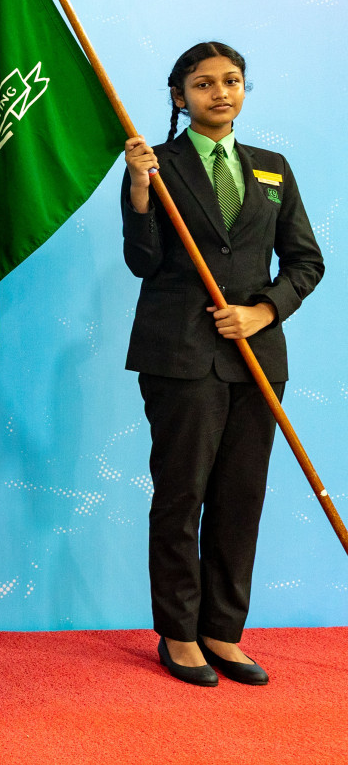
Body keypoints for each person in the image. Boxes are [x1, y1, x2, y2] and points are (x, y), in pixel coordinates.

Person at [122, 41, 322, 687]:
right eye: (203, 84)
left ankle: (222, 632)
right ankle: (179, 634)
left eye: (232, 80)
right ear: (179, 96)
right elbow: (142, 262)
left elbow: (305, 262)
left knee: (241, 498)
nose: (220, 93)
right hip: (180, 356)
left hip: (256, 358)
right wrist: (138, 190)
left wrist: (262, 312)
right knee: (183, 496)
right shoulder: (159, 164)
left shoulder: (272, 168)